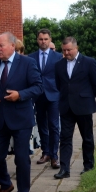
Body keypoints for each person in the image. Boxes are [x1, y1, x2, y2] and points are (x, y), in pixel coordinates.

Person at [0, 32, 43, 192]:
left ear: (12, 46)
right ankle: (5, 184)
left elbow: (38, 87)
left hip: (21, 118)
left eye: (1, 46)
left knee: (22, 158)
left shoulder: (27, 63)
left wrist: (20, 95)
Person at [54, 37, 96, 179]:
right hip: (66, 107)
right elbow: (59, 85)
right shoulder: (59, 65)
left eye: (69, 50)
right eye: (64, 50)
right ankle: (64, 169)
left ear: (76, 48)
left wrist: (86, 97)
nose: (66, 53)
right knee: (65, 138)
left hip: (84, 106)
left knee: (87, 137)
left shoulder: (89, 62)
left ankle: (88, 165)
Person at [28, 29, 63, 169]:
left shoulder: (58, 57)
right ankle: (46, 152)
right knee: (41, 125)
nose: (43, 41)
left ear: (50, 40)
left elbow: (62, 76)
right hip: (38, 96)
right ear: (37, 40)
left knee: (54, 126)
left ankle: (54, 156)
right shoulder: (31, 58)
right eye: (41, 39)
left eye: (46, 39)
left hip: (53, 95)